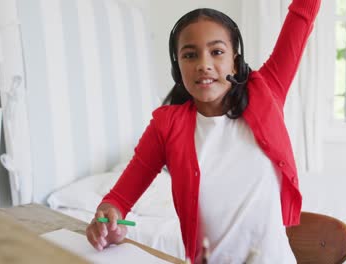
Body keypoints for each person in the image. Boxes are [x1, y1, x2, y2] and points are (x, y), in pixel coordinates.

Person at [86, 0, 321, 263]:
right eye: (190, 55)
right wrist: (107, 221)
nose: (203, 64)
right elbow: (118, 200)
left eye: (217, 52)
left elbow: (301, 18)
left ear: (235, 60)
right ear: (178, 68)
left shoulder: (267, 92)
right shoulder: (165, 126)